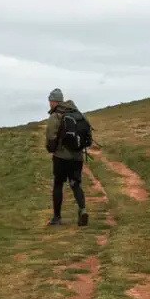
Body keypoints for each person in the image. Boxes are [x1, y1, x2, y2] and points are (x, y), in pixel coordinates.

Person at [44, 88, 89, 226]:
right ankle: (83, 210)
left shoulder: (56, 116)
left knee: (58, 184)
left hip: (61, 157)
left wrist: (51, 149)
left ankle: (57, 217)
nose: (49, 103)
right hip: (77, 157)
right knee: (75, 184)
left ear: (54, 101)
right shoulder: (76, 112)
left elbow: (51, 137)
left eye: (50, 101)